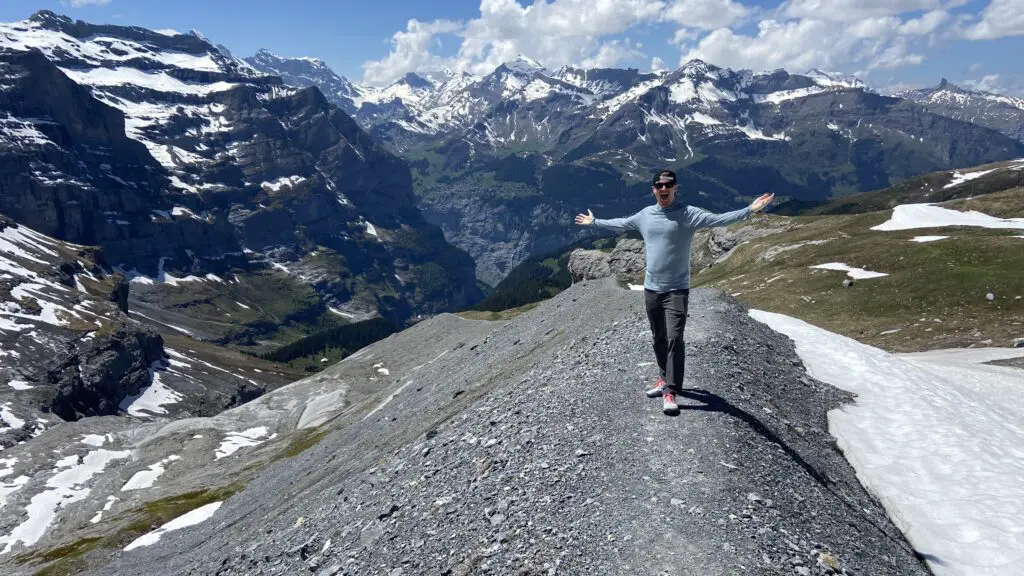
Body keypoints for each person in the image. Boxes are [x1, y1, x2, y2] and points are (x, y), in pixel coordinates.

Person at [575, 169, 773, 415]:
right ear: (653, 189)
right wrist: (594, 222)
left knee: (674, 339)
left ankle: (671, 390)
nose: (663, 189)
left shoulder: (689, 214)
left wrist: (749, 210)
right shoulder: (645, 215)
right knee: (658, 338)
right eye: (659, 185)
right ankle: (663, 377)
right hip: (651, 288)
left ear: (675, 188)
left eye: (668, 185)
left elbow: (719, 219)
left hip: (677, 289)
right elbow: (621, 224)